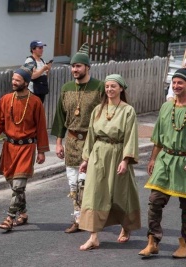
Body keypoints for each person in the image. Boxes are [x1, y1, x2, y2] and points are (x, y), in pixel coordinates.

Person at [78, 74, 141, 250]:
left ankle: (126, 227)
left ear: (121, 88)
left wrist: (126, 160)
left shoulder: (128, 110)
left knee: (120, 193)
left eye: (113, 86)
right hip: (99, 153)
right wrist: (86, 159)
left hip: (118, 153)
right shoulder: (98, 109)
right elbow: (91, 135)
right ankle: (93, 236)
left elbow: (130, 136)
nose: (109, 90)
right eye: (107, 87)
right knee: (95, 192)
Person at [0, 64, 49, 231]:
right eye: (13, 79)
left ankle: (9, 218)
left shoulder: (35, 102)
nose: (13, 82)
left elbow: (41, 127)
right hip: (9, 147)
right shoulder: (6, 99)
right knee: (15, 185)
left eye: (17, 80)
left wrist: (41, 151)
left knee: (19, 185)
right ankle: (23, 213)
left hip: (27, 148)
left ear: (26, 83)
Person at [51, 42, 104, 233]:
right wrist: (58, 142)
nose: (74, 69)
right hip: (71, 141)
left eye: (78, 66)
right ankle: (78, 218)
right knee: (73, 183)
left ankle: (88, 218)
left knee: (85, 183)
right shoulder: (66, 88)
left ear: (87, 67)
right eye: (73, 66)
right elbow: (59, 116)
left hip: (91, 142)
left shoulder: (99, 87)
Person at [139, 68, 186, 258]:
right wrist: (152, 159)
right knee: (154, 201)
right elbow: (158, 136)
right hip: (165, 160)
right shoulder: (166, 107)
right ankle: (153, 241)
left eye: (180, 83)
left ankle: (184, 243)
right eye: (174, 83)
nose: (176, 86)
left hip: (184, 163)